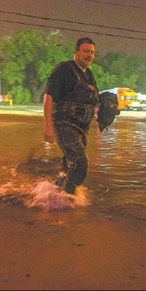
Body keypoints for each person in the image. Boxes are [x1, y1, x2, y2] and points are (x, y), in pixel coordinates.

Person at [43, 37, 98, 195]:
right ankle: (68, 199)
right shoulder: (64, 69)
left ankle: (53, 195)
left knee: (69, 166)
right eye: (86, 51)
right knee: (81, 164)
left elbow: (92, 101)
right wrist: (48, 127)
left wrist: (104, 105)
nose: (89, 55)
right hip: (64, 125)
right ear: (76, 52)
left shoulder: (90, 75)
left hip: (81, 129)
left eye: (92, 52)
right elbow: (48, 97)